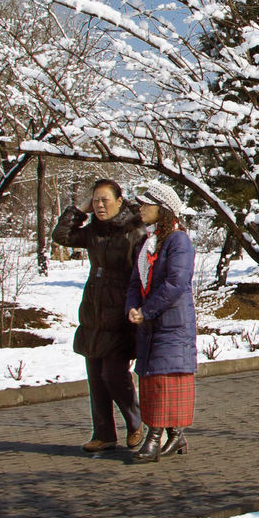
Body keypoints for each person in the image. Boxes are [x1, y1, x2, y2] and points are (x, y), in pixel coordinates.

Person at [52, 179, 145, 453]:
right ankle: (103, 433)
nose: (100, 205)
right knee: (95, 374)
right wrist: (79, 210)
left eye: (105, 199)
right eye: (96, 200)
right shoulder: (93, 230)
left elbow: (140, 274)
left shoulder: (134, 230)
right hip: (93, 308)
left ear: (120, 200)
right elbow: (62, 236)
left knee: (114, 373)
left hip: (120, 311)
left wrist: (137, 309)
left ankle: (136, 424)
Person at [126, 181, 197, 463]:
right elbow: (135, 281)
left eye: (147, 204)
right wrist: (133, 307)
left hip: (172, 324)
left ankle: (156, 437)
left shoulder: (178, 240)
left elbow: (177, 282)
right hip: (152, 322)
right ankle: (174, 434)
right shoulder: (149, 242)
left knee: (163, 380)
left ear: (163, 209)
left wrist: (148, 310)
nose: (140, 209)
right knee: (154, 379)